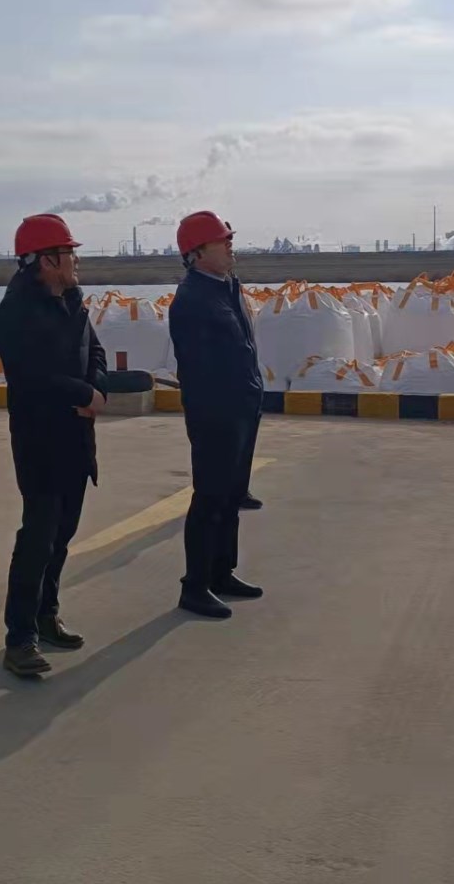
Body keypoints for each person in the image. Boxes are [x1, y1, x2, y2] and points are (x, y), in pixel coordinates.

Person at [0, 213, 109, 678]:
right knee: (38, 537)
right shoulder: (15, 313)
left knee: (63, 534)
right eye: (69, 253)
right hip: (40, 441)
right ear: (46, 261)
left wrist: (96, 387)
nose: (76, 261)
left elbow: (95, 350)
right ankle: (19, 638)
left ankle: (47, 614)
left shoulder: (72, 300)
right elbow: (32, 377)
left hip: (76, 439)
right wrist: (83, 395)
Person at [168, 210, 264, 620]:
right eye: (221, 240)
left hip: (243, 408)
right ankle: (195, 586)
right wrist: (217, 413)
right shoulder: (192, 300)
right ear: (197, 253)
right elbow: (198, 369)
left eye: (229, 238)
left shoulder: (228, 288)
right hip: (215, 415)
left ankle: (222, 573)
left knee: (231, 497)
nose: (229, 244)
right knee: (209, 498)